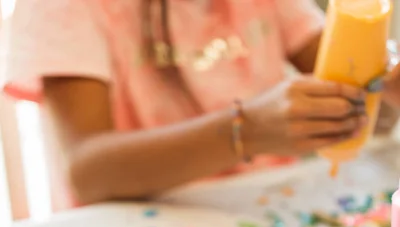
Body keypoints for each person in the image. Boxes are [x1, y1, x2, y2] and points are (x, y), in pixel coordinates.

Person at [1, 0, 397, 210]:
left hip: (263, 219)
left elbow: (361, 99)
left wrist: (382, 94)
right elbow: (87, 172)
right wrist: (246, 131)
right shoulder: (63, 7)